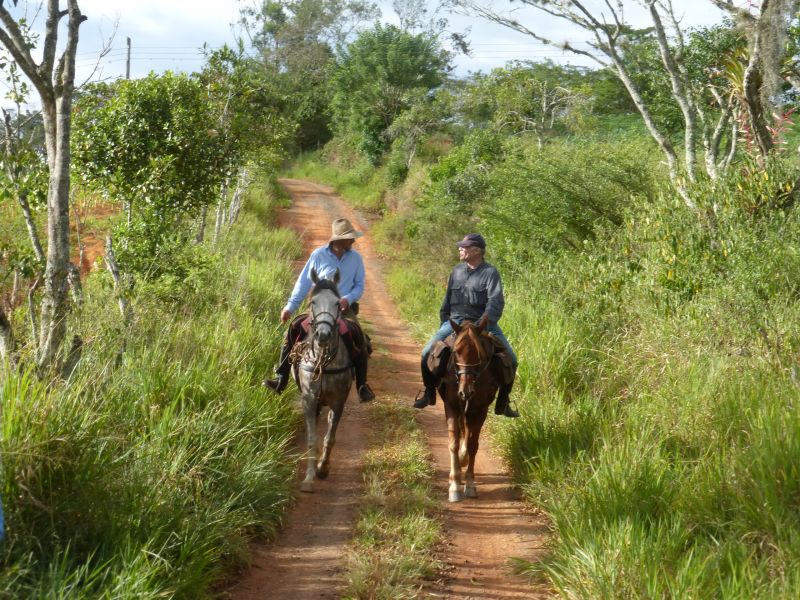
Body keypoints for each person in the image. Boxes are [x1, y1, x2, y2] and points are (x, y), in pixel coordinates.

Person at [264, 217, 376, 403]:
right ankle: (281, 378)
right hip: (318, 310)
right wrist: (290, 307)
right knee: (293, 330)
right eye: (350, 238)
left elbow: (359, 286)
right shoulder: (318, 255)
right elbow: (303, 283)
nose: (353, 241)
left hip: (343, 310)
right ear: (338, 239)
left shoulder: (356, 258)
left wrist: (347, 299)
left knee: (359, 338)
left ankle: (362, 385)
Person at [413, 233, 519, 418]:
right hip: (455, 323)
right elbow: (447, 300)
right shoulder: (456, 271)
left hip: (483, 325)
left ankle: (504, 401)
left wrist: (482, 325)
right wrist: (444, 323)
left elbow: (495, 302)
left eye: (464, 247)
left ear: (476, 251)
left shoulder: (490, 273)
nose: (460, 249)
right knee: (425, 354)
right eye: (460, 246)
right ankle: (429, 391)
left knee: (511, 359)